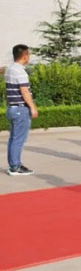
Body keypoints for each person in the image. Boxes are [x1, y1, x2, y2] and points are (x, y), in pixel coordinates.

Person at [5, 44, 38, 176]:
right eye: (28, 54)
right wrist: (33, 107)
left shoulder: (10, 69)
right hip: (20, 109)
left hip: (12, 108)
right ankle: (15, 167)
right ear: (24, 56)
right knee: (18, 139)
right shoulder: (19, 71)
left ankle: (14, 164)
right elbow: (24, 91)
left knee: (14, 138)